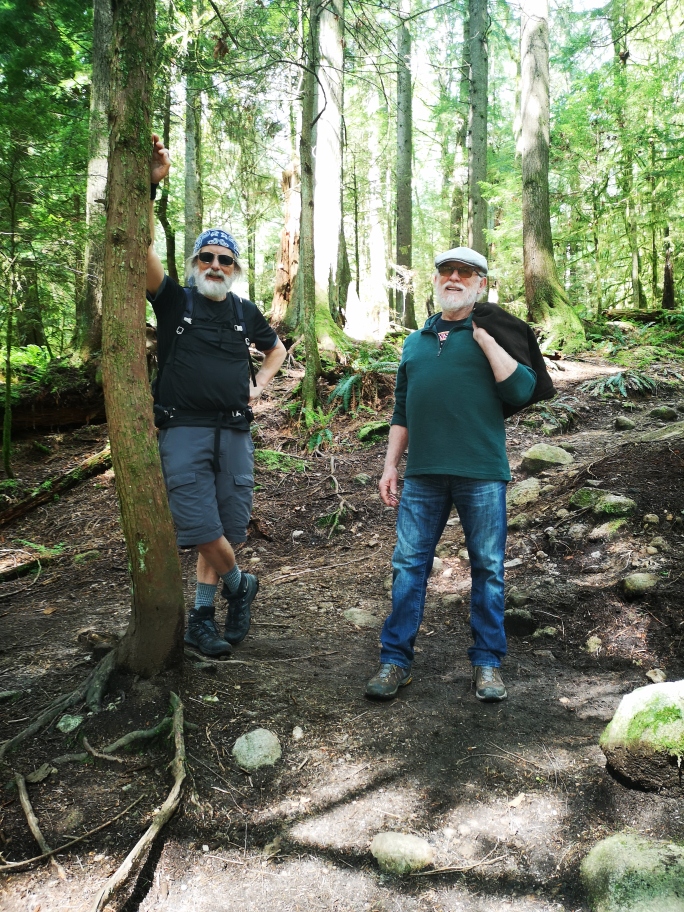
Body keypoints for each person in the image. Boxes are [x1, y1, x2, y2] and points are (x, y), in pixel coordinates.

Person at [366, 246, 551, 702]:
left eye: (464, 273)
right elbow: (402, 411)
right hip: (424, 474)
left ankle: (487, 664)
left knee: (488, 569)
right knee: (408, 566)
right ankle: (395, 662)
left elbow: (522, 388)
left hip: (482, 472)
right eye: (446, 271)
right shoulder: (416, 342)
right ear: (436, 281)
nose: (453, 278)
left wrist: (485, 339)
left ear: (480, 284)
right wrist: (390, 465)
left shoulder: (494, 334)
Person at [146, 135, 286, 657]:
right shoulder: (174, 300)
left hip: (234, 431)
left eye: (225, 259)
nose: (215, 265)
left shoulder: (243, 310)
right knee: (199, 523)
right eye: (207, 257)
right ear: (193, 262)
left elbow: (275, 352)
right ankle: (239, 585)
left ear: (236, 268)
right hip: (182, 428)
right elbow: (138, 250)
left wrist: (257, 386)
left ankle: (202, 619)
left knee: (226, 526)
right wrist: (150, 185)